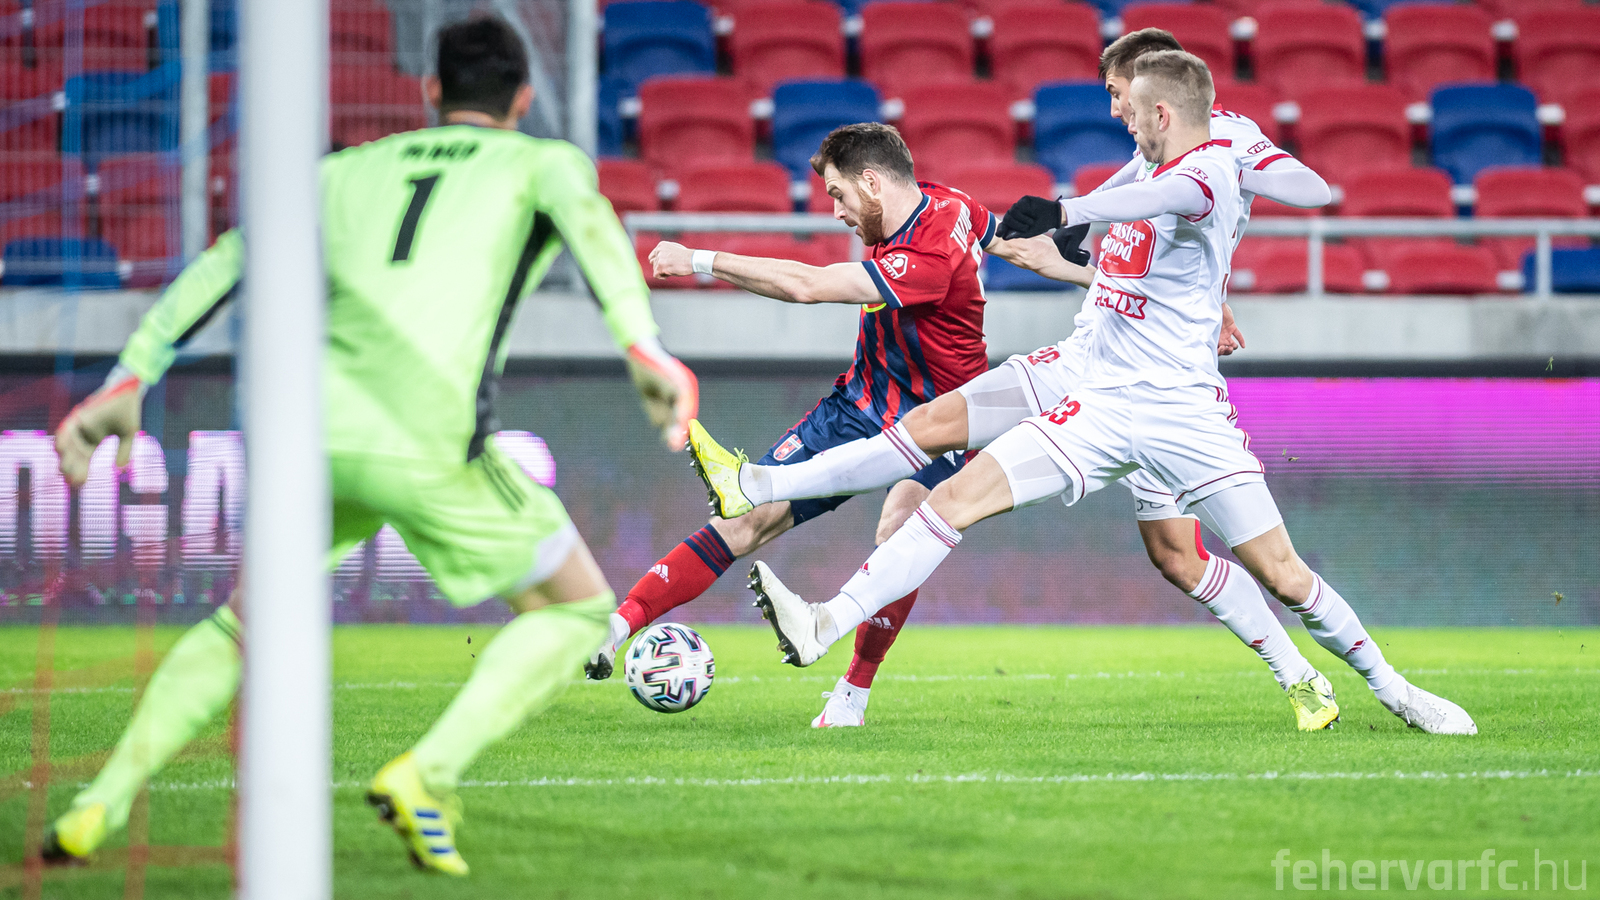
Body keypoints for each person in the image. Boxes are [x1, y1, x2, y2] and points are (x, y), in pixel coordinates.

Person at [42, 16, 698, 875]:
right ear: (524, 99)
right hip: (431, 445)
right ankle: (427, 774)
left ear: (430, 91)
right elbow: (600, 238)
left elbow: (225, 261)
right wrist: (643, 347)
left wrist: (130, 374)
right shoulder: (544, 162)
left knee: (245, 621)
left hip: (310, 440)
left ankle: (97, 803)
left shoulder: (340, 172)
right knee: (576, 610)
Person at [746, 50, 1477, 736]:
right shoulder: (1142, 173)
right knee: (953, 497)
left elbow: (1178, 193)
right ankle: (823, 621)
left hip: (1182, 414)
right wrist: (1056, 241)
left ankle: (1395, 690)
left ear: (1162, 112)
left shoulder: (1210, 169)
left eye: (1127, 107)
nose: (1121, 119)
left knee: (1284, 576)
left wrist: (1070, 210)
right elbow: (1122, 248)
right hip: (1100, 398)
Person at [589, 123, 1066, 730]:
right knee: (744, 521)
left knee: (901, 529)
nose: (836, 211)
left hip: (942, 421)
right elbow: (1013, 244)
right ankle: (616, 627)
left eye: (839, 194)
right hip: (856, 407)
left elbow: (809, 285)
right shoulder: (953, 203)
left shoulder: (930, 254)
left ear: (872, 183)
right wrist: (1094, 275)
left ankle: (851, 697)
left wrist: (700, 259)